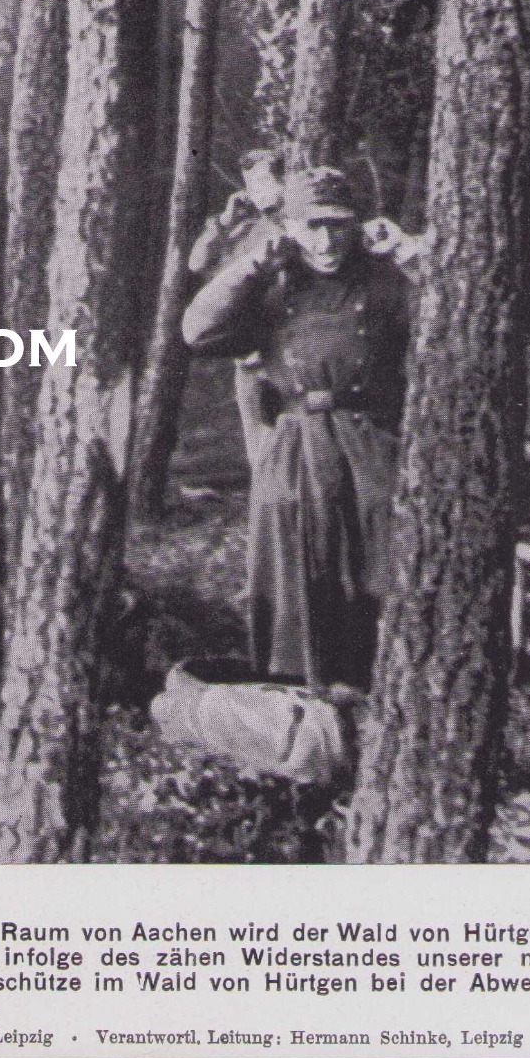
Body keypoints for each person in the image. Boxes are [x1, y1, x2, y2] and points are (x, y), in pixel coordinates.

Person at [181, 166, 421, 689]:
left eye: (338, 224)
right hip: (294, 440)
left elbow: (448, 312)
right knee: (292, 563)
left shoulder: (383, 280)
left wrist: (410, 254)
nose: (326, 240)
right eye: (312, 225)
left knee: (379, 556)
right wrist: (251, 266)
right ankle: (294, 691)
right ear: (290, 227)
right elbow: (198, 332)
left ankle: (380, 688)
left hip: (371, 438)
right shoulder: (271, 284)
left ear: (356, 225)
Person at [187, 148, 287, 466]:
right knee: (260, 452)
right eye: (252, 185)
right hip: (248, 360)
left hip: (286, 353)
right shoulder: (245, 229)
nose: (260, 192)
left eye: (266, 181)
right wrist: (224, 222)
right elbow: (197, 263)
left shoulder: (301, 224)